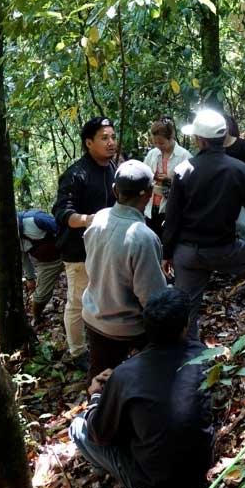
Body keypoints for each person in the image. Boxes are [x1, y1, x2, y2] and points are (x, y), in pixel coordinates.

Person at [69, 288, 214, 488]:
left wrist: (96, 395)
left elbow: (98, 433)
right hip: (198, 472)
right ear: (185, 326)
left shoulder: (125, 375)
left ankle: (109, 473)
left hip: (152, 483)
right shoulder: (202, 355)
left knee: (77, 427)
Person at [163, 110, 245, 339]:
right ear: (223, 137)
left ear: (200, 140)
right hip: (224, 249)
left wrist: (168, 253)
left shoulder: (183, 171)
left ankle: (189, 351)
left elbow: (172, 217)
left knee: (187, 304)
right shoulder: (241, 171)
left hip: (188, 252)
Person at [82, 160, 168, 379]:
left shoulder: (99, 218)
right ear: (149, 194)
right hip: (128, 325)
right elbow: (152, 298)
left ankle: (97, 409)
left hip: (94, 316)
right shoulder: (143, 237)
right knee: (160, 367)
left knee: (99, 380)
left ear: (114, 190)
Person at [53, 116, 118, 370]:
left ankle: (105, 340)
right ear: (89, 143)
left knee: (106, 295)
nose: (111, 142)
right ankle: (77, 351)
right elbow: (62, 213)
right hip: (79, 250)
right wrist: (91, 219)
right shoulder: (75, 174)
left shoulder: (113, 168)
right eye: (104, 138)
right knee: (78, 300)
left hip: (107, 247)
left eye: (112, 137)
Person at [143, 118, 192, 238]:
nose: (158, 146)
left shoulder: (184, 156)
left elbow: (190, 185)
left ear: (171, 138)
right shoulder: (153, 154)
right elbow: (143, 174)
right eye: (155, 143)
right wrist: (152, 176)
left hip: (171, 208)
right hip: (151, 207)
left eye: (161, 143)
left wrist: (170, 180)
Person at [17, 210, 64, 324]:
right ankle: (37, 318)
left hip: (67, 253)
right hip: (47, 263)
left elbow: (63, 230)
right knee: (40, 296)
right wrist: (30, 278)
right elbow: (24, 258)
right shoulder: (10, 239)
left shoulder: (36, 220)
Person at [224, 114, 245, 240]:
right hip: (218, 196)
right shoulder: (212, 148)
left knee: (241, 226)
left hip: (239, 196)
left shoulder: (241, 145)